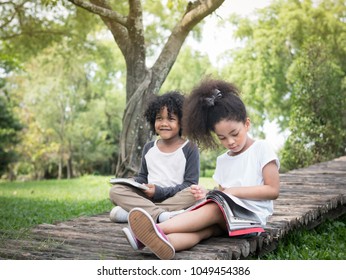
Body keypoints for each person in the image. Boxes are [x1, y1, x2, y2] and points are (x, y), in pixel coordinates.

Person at [124, 78, 280, 260]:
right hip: (228, 218)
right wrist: (207, 194)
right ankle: (162, 242)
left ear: (246, 124)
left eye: (235, 134)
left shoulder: (261, 148)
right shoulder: (223, 159)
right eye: (222, 138)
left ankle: (151, 231)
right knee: (203, 231)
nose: (229, 142)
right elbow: (223, 195)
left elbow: (272, 190)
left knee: (213, 210)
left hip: (251, 218)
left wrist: (232, 192)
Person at [109, 91, 200, 232]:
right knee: (116, 191)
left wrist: (159, 191)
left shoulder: (190, 148)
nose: (164, 124)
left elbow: (190, 184)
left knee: (193, 193)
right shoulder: (149, 147)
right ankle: (161, 215)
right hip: (148, 199)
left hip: (175, 199)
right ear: (153, 121)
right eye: (159, 118)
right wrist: (134, 182)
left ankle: (136, 213)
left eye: (170, 119)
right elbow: (143, 176)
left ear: (182, 122)